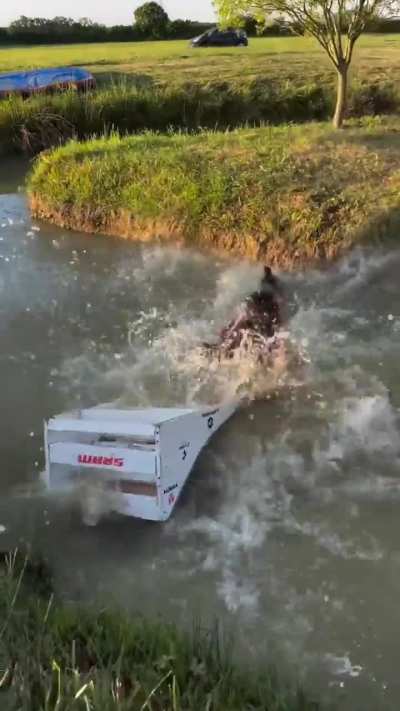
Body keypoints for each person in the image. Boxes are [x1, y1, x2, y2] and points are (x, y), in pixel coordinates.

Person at [204, 265, 284, 358]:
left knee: (234, 335)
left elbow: (230, 328)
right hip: (257, 310)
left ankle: (221, 350)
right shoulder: (272, 305)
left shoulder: (256, 303)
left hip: (252, 309)